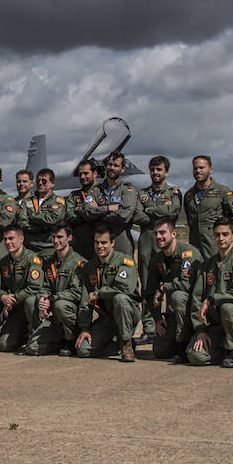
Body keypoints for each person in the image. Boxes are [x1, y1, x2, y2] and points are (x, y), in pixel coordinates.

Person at [188, 218, 233, 368]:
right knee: (195, 356)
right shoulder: (207, 266)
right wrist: (200, 329)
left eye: (225, 234)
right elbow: (197, 298)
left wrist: (212, 299)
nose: (221, 239)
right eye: (217, 235)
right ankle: (232, 346)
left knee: (227, 307)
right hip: (217, 324)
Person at [74, 225, 140, 362]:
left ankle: (126, 343)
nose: (100, 246)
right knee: (83, 350)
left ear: (112, 243)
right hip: (107, 318)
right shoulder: (90, 267)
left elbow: (124, 289)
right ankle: (114, 344)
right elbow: (85, 299)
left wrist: (99, 293)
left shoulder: (125, 261)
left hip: (127, 314)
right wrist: (85, 328)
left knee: (120, 299)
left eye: (104, 242)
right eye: (96, 242)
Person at [135, 156, 182, 338]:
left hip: (167, 242)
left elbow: (174, 213)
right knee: (147, 282)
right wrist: (161, 213)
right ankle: (149, 326)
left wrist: (151, 210)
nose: (156, 173)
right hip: (147, 239)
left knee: (171, 281)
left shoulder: (174, 192)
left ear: (166, 172)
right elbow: (137, 216)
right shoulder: (142, 194)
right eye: (153, 169)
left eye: (159, 169)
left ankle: (172, 323)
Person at [145, 217, 202, 361]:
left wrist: (164, 287)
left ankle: (184, 343)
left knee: (178, 296)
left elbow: (186, 284)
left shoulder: (188, 254)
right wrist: (157, 319)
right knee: (160, 350)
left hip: (195, 311)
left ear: (174, 234)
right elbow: (150, 292)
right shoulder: (157, 259)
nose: (158, 237)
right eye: (156, 233)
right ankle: (180, 340)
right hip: (175, 313)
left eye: (163, 233)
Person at [29, 223, 86, 356]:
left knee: (61, 305)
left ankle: (70, 339)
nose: (56, 241)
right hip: (54, 316)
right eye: (53, 237)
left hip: (72, 313)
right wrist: (43, 299)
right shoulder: (49, 262)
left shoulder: (79, 263)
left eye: (60, 237)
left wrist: (53, 298)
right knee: (32, 348)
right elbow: (45, 286)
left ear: (69, 238)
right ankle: (57, 340)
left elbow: (77, 293)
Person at [0, 225, 45, 353]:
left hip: (30, 308)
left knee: (31, 301)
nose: (7, 242)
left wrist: (13, 299)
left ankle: (36, 336)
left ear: (21, 239)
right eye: (5, 239)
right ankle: (22, 337)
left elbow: (34, 287)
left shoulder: (33, 259)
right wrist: (3, 297)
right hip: (15, 312)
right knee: (4, 346)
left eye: (11, 238)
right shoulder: (3, 262)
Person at [182, 155, 233, 259]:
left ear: (210, 169)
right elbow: (190, 219)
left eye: (201, 167)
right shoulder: (189, 195)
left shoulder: (223, 192)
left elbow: (232, 218)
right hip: (195, 247)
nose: (198, 171)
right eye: (195, 168)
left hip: (215, 247)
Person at [89, 151, 138, 255]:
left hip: (121, 243)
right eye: (110, 164)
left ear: (122, 169)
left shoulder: (127, 189)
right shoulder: (96, 190)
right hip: (100, 245)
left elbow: (125, 215)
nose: (112, 168)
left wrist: (99, 214)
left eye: (116, 165)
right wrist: (107, 209)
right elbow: (87, 213)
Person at [17, 167, 68, 259]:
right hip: (30, 248)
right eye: (38, 181)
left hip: (49, 248)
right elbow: (22, 223)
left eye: (44, 181)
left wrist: (32, 216)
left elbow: (53, 221)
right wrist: (43, 227)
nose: (40, 183)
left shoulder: (58, 201)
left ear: (52, 184)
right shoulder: (26, 201)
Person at [67, 159, 102, 260]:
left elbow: (107, 214)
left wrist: (78, 209)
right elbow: (69, 216)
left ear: (95, 173)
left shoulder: (103, 193)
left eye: (86, 173)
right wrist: (94, 211)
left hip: (100, 245)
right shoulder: (74, 196)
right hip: (80, 246)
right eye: (80, 174)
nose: (82, 177)